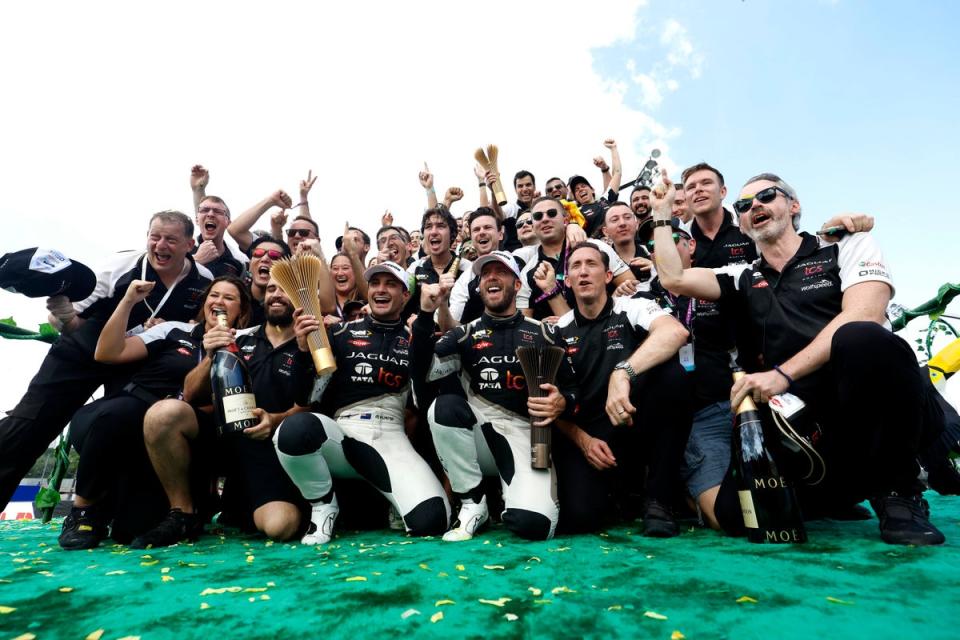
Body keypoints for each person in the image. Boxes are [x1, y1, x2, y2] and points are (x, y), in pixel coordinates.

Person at [651, 170, 948, 545]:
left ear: (794, 206)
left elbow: (865, 313)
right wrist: (663, 216)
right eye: (744, 205)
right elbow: (674, 279)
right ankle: (835, 494)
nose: (754, 206)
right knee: (735, 517)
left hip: (860, 404)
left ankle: (898, 492)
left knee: (862, 338)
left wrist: (781, 374)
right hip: (797, 421)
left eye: (766, 196)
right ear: (742, 224)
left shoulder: (847, 245)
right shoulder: (741, 275)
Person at [0, 210, 213, 508]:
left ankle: (102, 513)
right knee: (30, 425)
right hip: (81, 353)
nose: (160, 245)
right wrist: (62, 313)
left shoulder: (203, 281)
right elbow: (71, 323)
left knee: (121, 430)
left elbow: (190, 329)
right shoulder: (120, 266)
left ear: (190, 245)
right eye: (155, 237)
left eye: (171, 239)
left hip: (135, 361)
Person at [58, 276, 251, 549]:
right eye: (214, 295)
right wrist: (128, 301)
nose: (219, 301)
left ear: (241, 311)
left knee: (132, 530)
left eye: (229, 298)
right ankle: (83, 512)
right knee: (122, 412)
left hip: (167, 432)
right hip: (118, 415)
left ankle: (144, 513)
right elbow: (107, 353)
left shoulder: (247, 341)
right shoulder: (174, 330)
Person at [272, 261, 450, 544]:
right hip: (342, 435)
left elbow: (424, 395)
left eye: (391, 284)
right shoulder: (339, 333)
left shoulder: (417, 339)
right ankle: (322, 508)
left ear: (406, 296)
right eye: (375, 283)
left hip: (392, 436)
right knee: (293, 431)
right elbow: (306, 398)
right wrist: (304, 352)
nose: (381, 289)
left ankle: (396, 502)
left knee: (432, 521)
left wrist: (428, 328)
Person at [131, 278, 316, 548]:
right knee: (163, 413)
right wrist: (210, 355)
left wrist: (275, 420)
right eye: (271, 289)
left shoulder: (312, 343)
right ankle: (182, 514)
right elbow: (191, 395)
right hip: (223, 437)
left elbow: (315, 407)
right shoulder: (239, 337)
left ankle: (238, 504)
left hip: (269, 448)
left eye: (285, 289)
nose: (276, 295)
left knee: (281, 526)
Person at [411, 251, 579, 541]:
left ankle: (510, 498)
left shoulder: (545, 332)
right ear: (478, 287)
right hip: (477, 436)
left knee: (534, 526)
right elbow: (424, 375)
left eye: (500, 272)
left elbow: (575, 389)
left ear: (516, 285)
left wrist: (564, 402)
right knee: (443, 407)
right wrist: (426, 317)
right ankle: (472, 503)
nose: (491, 277)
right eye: (485, 273)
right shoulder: (463, 334)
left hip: (528, 438)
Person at [554, 242, 691, 536]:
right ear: (567, 281)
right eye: (575, 267)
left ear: (607, 275)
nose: (583, 272)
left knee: (672, 376)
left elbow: (675, 332)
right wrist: (583, 441)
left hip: (635, 422)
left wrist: (622, 372)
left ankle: (659, 499)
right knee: (580, 518)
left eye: (591, 264)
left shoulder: (633, 306)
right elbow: (552, 405)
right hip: (593, 438)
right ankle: (621, 494)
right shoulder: (558, 330)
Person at [517, 197, 630, 322]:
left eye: (552, 213)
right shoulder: (527, 273)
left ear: (565, 219)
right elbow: (525, 324)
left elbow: (632, 285)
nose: (545, 219)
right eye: (538, 216)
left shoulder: (597, 247)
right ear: (533, 226)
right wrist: (541, 328)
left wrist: (612, 306)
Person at [188, 165, 247, 278]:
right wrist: (196, 260)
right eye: (205, 210)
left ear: (228, 222)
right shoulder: (183, 249)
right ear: (197, 219)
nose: (210, 214)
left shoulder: (239, 261)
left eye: (218, 212)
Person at [569, 139, 622, 237]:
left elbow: (617, 174)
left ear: (592, 189)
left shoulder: (604, 201)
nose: (580, 189)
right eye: (576, 189)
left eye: (583, 186)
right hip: (597, 249)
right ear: (575, 197)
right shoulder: (576, 212)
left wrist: (613, 149)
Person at [246, 236, 292, 327]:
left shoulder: (292, 304)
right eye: (258, 253)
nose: (264, 259)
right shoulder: (236, 297)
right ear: (250, 264)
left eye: (274, 255)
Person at [327, 252, 368, 325]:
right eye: (335, 268)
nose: (340, 273)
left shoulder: (366, 299)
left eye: (345, 268)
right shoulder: (323, 302)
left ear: (356, 272)